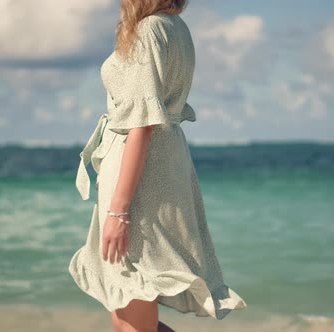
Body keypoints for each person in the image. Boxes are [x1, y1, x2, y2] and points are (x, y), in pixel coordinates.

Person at [69, 0, 248, 331]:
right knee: (128, 309)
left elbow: (142, 124)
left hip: (140, 178)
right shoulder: (175, 27)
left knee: (131, 311)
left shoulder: (150, 29)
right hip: (161, 164)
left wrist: (119, 212)